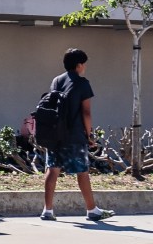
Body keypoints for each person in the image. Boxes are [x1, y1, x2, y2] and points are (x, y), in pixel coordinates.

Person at [41, 48, 115, 222]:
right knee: (82, 171)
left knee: (52, 170)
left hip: (55, 134)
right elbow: (86, 112)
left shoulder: (56, 81)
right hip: (74, 135)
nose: (85, 67)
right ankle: (92, 210)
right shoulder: (83, 83)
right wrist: (89, 135)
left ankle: (48, 210)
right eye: (84, 64)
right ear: (79, 65)